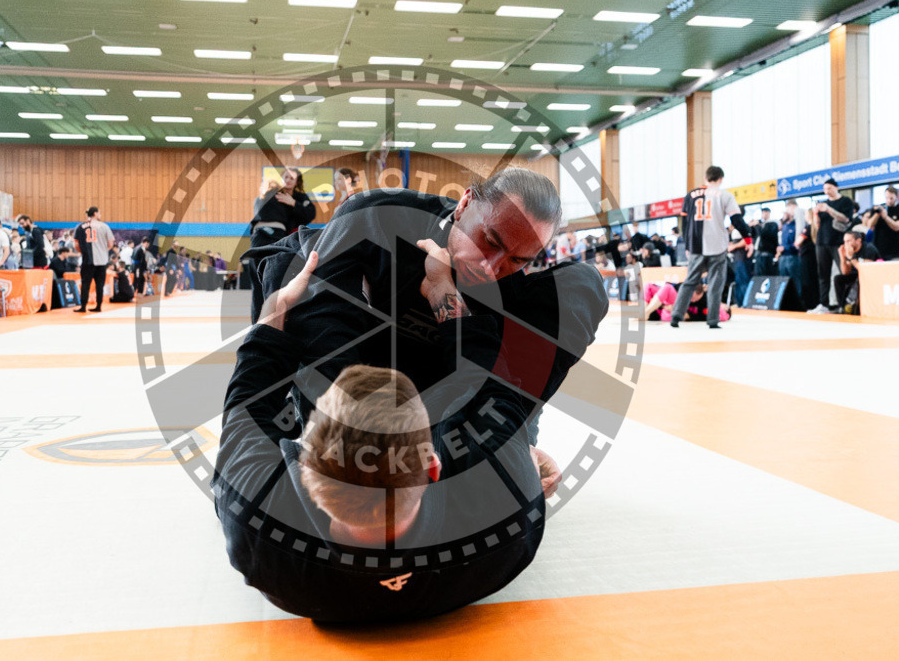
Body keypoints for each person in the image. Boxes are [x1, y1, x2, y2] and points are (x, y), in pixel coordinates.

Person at [216, 247, 563, 623]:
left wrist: (276, 306)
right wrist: (441, 286)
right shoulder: (503, 518)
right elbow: (489, 381)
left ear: (305, 468)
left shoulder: (258, 532)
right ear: (434, 465)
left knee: (293, 277)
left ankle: (307, 259)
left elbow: (246, 401)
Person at [243, 167, 608, 435]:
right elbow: (327, 330)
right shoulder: (381, 215)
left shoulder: (507, 284)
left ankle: (508, 436)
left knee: (584, 285)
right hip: (361, 358)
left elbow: (489, 370)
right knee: (291, 270)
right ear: (465, 203)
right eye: (491, 241)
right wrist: (347, 436)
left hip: (434, 379)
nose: (491, 267)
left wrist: (508, 437)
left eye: (518, 260)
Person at [670, 166, 751, 329]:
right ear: (720, 179)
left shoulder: (690, 196)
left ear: (706, 178)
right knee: (715, 282)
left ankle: (676, 316)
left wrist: (687, 244)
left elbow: (685, 224)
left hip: (696, 246)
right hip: (718, 245)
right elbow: (736, 219)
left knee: (690, 281)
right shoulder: (725, 195)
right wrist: (748, 239)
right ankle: (713, 320)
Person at [249, 168, 316, 253]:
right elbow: (259, 210)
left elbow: (310, 214)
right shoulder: (271, 192)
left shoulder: (300, 198)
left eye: (292, 178)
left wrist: (294, 203)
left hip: (285, 235)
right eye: (286, 177)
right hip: (261, 233)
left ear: (296, 182)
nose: (288, 180)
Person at [812, 178, 854, 313]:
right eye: (824, 189)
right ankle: (823, 303)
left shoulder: (845, 201)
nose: (827, 191)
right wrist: (815, 214)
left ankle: (846, 303)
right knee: (823, 275)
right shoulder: (823, 203)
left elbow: (846, 219)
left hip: (838, 242)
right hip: (822, 241)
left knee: (844, 272)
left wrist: (829, 209)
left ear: (836, 187)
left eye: (829, 188)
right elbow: (817, 225)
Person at [72, 206, 115, 312]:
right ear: (95, 213)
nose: (100, 215)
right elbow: (110, 243)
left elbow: (76, 245)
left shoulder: (80, 227)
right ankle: (99, 306)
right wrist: (103, 251)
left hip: (87, 261)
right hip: (101, 261)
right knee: (99, 284)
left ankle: (83, 306)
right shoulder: (104, 226)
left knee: (85, 284)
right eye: (99, 213)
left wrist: (83, 252)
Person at [833, 231, 880, 315]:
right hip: (858, 275)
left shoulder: (868, 248)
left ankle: (856, 308)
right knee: (838, 279)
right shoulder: (850, 250)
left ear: (858, 241)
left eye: (848, 241)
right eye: (844, 241)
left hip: (872, 276)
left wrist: (851, 257)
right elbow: (845, 272)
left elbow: (866, 270)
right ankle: (842, 307)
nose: (846, 244)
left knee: (859, 280)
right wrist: (842, 257)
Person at [643, 282, 730, 324]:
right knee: (647, 286)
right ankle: (645, 311)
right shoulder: (693, 289)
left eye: (694, 299)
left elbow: (698, 316)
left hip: (675, 311)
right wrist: (663, 306)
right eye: (692, 297)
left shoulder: (711, 306)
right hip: (667, 305)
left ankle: (646, 312)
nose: (693, 300)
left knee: (667, 288)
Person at [777, 200, 803, 300]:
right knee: (783, 281)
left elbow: (797, 243)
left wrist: (786, 248)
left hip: (793, 256)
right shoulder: (784, 226)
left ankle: (797, 302)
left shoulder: (796, 224)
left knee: (795, 281)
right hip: (782, 257)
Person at [868, 186, 899, 261]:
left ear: (897, 196)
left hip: (893, 247)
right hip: (878, 246)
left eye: (891, 198)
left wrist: (886, 217)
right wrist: (877, 214)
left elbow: (897, 227)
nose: (889, 200)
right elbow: (869, 225)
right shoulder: (880, 208)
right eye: (887, 198)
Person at [727, 224, 753, 307]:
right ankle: (739, 303)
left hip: (742, 258)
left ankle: (745, 303)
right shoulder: (735, 229)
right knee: (738, 281)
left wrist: (734, 246)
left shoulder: (743, 227)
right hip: (737, 258)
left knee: (743, 281)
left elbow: (747, 240)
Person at [753, 207, 779, 277]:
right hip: (758, 252)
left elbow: (764, 235)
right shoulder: (762, 224)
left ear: (768, 213)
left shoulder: (772, 224)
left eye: (764, 213)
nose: (762, 215)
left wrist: (757, 226)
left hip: (767, 252)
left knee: (765, 274)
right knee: (758, 274)